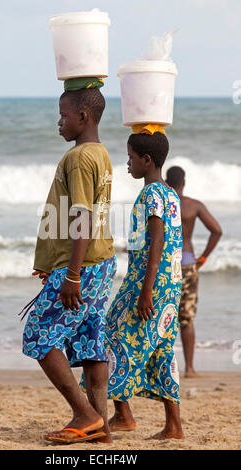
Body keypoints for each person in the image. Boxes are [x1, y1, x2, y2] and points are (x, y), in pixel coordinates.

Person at [20, 78, 116, 444]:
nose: (58, 123)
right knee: (91, 343)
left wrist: (72, 273)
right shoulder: (101, 153)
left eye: (62, 116)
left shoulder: (77, 159)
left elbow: (82, 217)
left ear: (83, 114)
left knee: (38, 333)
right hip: (102, 263)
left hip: (83, 266)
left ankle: (84, 413)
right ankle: (101, 427)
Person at [103, 126, 184, 440]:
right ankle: (173, 426)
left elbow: (158, 240)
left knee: (111, 333)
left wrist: (146, 290)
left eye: (130, 157)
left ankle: (123, 415)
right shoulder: (170, 194)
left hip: (147, 284)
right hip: (170, 285)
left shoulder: (151, 193)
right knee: (163, 348)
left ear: (147, 160)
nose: (127, 163)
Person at [166, 166, 222, 377]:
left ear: (167, 181)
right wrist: (204, 257)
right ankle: (189, 368)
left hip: (164, 265)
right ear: (184, 182)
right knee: (186, 318)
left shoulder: (162, 204)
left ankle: (158, 367)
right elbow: (217, 230)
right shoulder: (193, 206)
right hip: (188, 263)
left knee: (161, 316)